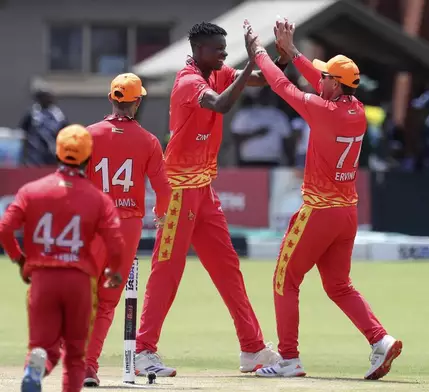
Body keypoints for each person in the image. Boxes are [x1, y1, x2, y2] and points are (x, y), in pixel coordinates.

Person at [245, 19, 402, 379]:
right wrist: (293, 50)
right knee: (338, 285)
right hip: (347, 213)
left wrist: (259, 53)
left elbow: (282, 85)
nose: (321, 80)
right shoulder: (355, 111)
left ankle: (288, 359)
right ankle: (380, 339)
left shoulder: (323, 110)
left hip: (318, 211)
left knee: (285, 280)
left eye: (326, 77)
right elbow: (316, 81)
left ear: (335, 84)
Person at [134, 22, 281, 377]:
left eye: (225, 49)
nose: (224, 54)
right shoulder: (189, 82)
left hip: (203, 189)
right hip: (178, 192)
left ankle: (252, 348)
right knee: (167, 271)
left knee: (228, 270)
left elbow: (261, 79)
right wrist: (248, 63)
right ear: (199, 50)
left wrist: (282, 57)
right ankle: (142, 351)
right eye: (218, 49)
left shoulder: (217, 71)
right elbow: (221, 104)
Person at [0, 124, 125, 392]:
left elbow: (5, 229)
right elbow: (116, 243)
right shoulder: (99, 200)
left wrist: (19, 258)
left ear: (57, 153)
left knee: (43, 347)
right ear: (88, 158)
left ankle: (36, 368)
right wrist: (114, 271)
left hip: (42, 279)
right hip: (79, 281)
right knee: (75, 356)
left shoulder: (31, 191)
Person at [81, 73, 172, 387]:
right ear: (138, 102)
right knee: (107, 301)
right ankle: (88, 367)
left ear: (111, 98)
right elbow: (164, 190)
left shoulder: (89, 135)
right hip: (128, 228)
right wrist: (161, 217)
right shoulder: (148, 141)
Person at [19, 86, 68, 166]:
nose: (47, 99)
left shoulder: (58, 116)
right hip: (34, 154)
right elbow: (23, 131)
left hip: (53, 153)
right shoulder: (31, 114)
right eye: (44, 97)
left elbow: (65, 131)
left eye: (49, 96)